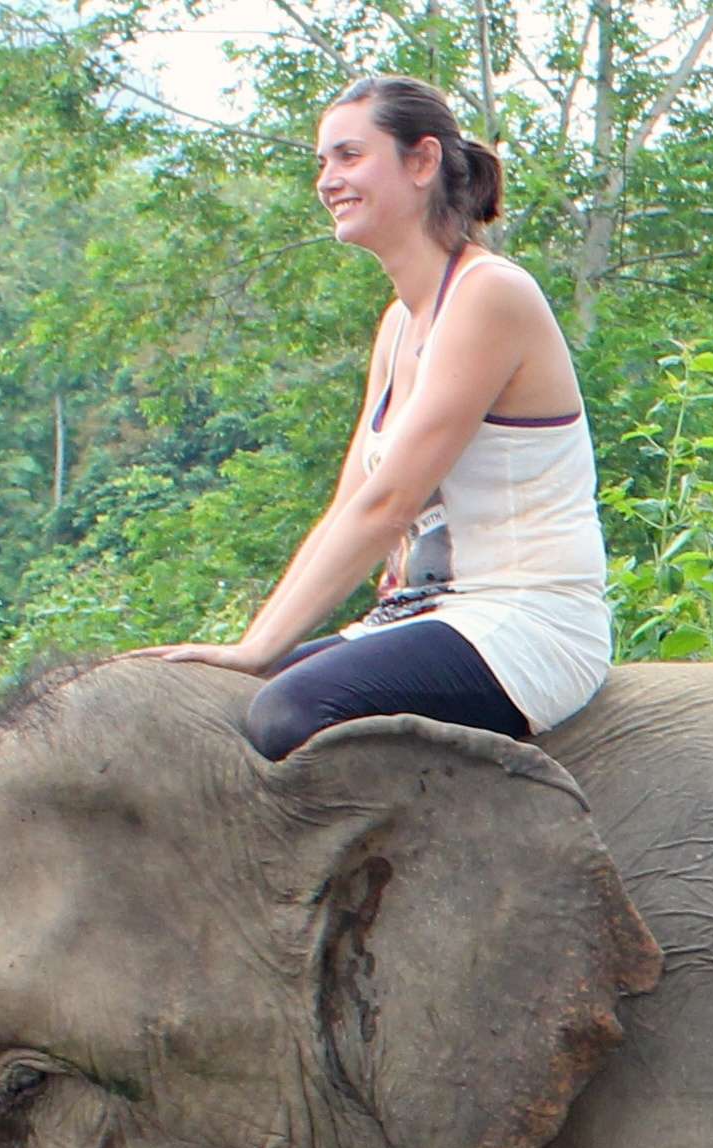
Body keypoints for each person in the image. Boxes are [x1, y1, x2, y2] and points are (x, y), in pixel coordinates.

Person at [146, 75, 611, 759]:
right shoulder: (397, 324)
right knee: (217, 701)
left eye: (349, 156)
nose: (327, 181)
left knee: (287, 712)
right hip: (421, 617)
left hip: (525, 622)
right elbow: (349, 506)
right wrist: (247, 649)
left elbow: (389, 503)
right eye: (322, 162)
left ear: (422, 162)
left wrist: (259, 651)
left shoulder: (490, 293)